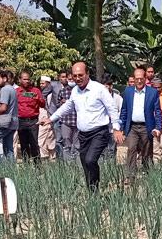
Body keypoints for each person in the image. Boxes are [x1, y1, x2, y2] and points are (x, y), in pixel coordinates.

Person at [45, 62, 120, 191]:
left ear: (87, 74)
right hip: (83, 134)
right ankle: (91, 191)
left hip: (99, 132)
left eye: (81, 75)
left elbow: (111, 107)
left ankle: (95, 188)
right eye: (75, 75)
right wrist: (51, 119)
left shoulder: (99, 89)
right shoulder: (75, 91)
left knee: (91, 160)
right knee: (84, 161)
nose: (78, 78)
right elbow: (68, 106)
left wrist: (116, 128)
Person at [117, 66, 162, 184]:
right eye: (136, 78)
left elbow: (157, 111)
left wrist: (158, 127)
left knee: (146, 152)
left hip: (146, 127)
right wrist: (121, 127)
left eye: (141, 78)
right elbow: (124, 110)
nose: (138, 81)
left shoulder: (152, 93)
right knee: (131, 149)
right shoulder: (128, 91)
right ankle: (130, 176)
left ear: (145, 78)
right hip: (132, 127)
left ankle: (147, 174)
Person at [15, 70, 46, 161]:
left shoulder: (35, 90)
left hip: (33, 121)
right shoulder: (16, 92)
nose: (27, 81)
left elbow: (43, 105)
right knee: (24, 145)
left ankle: (38, 168)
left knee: (34, 144)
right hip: (21, 121)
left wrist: (37, 98)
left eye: (28, 79)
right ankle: (27, 167)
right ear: (20, 80)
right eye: (24, 79)